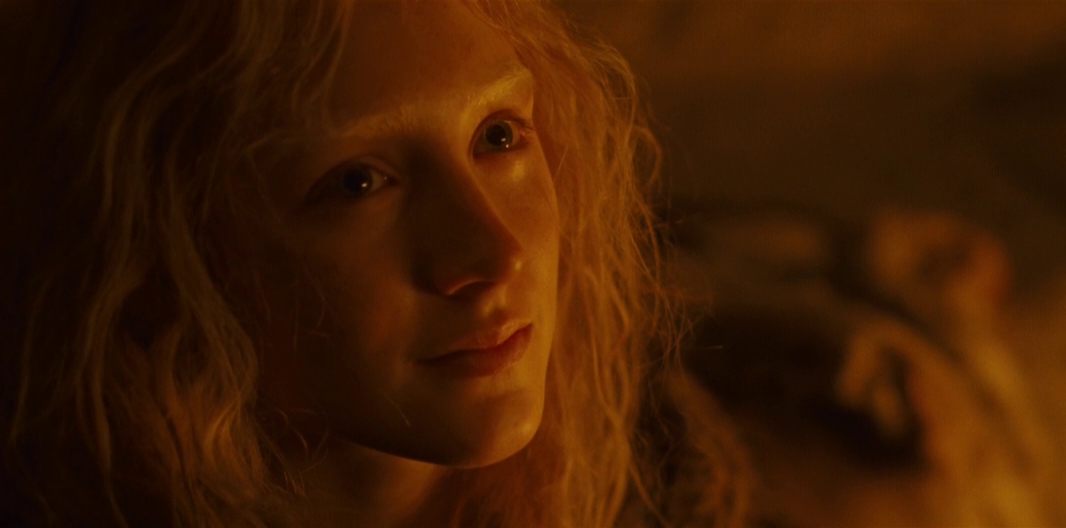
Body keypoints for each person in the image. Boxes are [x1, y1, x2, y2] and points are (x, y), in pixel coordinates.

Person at [0, 1, 749, 526]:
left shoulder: (658, 468)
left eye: (497, 136)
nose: (498, 254)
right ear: (154, 255)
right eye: (358, 182)